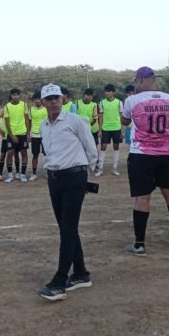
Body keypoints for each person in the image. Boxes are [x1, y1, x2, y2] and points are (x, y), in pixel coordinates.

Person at [37, 84, 98, 302]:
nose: (54, 101)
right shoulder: (43, 126)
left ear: (63, 99)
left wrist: (85, 175)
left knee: (68, 228)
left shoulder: (75, 121)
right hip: (54, 179)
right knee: (66, 227)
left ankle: (59, 282)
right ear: (42, 102)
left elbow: (91, 148)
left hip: (74, 178)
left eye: (57, 97)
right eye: (49, 98)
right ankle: (80, 273)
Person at [122, 68, 169, 255]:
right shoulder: (168, 99)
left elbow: (125, 121)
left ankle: (139, 244)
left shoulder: (132, 100)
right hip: (165, 152)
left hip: (141, 153)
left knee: (142, 197)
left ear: (141, 80)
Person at [96, 84, 124, 176]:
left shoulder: (119, 102)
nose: (107, 93)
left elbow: (121, 117)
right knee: (103, 147)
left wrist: (122, 131)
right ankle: (100, 169)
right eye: (106, 91)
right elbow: (100, 117)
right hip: (105, 128)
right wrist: (100, 130)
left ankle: (114, 168)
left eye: (109, 91)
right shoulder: (102, 102)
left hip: (116, 128)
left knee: (116, 147)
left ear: (113, 92)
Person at [4, 89, 30, 183]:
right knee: (10, 153)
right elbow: (7, 122)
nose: (15, 96)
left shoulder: (24, 104)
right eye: (13, 95)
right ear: (11, 96)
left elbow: (27, 119)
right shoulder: (7, 106)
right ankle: (10, 175)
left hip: (22, 132)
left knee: (24, 153)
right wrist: (11, 135)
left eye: (17, 95)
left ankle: (22, 174)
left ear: (19, 96)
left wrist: (28, 133)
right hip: (12, 133)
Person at [0, 105, 20, 182]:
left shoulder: (18, 108)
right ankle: (0, 174)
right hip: (5, 137)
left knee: (16, 154)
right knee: (3, 155)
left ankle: (17, 173)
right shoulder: (4, 110)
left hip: (14, 135)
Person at [28, 91, 48, 181]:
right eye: (35, 99)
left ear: (42, 99)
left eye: (39, 99)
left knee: (47, 154)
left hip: (45, 135)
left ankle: (48, 172)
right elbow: (29, 122)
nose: (37, 100)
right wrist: (28, 134)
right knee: (35, 155)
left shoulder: (46, 108)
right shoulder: (31, 109)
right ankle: (34, 173)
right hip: (35, 135)